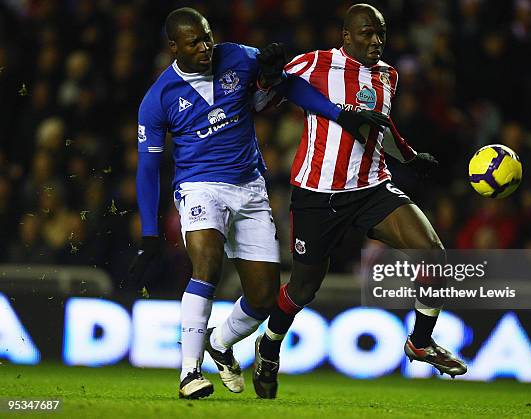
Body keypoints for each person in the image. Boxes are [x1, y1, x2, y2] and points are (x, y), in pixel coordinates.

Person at [124, 7, 389, 400]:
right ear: (173, 46)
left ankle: (219, 341)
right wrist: (148, 232)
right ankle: (189, 373)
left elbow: (286, 87)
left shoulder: (237, 57)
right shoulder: (158, 98)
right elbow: (148, 169)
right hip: (199, 188)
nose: (205, 47)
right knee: (207, 263)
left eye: (208, 37)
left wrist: (289, 86)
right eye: (195, 42)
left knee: (264, 297)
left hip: (249, 187)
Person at [253, 4, 467, 398]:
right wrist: (268, 77)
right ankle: (268, 345)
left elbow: (381, 125)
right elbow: (264, 100)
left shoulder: (388, 75)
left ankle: (420, 341)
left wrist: (409, 154)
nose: (376, 41)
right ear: (346, 36)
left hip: (371, 188)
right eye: (367, 33)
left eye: (381, 34)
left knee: (434, 252)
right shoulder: (315, 63)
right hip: (317, 193)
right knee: (303, 288)